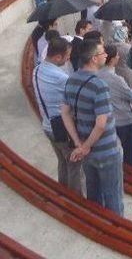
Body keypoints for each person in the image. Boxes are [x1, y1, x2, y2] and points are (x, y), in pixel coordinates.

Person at [60, 40, 124, 216]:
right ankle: (116, 231)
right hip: (106, 151)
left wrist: (79, 144)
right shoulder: (99, 85)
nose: (106, 55)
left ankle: (97, 225)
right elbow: (101, 123)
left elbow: (64, 112)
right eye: (103, 52)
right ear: (94, 58)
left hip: (87, 151)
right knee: (113, 195)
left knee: (93, 192)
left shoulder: (71, 79)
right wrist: (85, 146)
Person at [33, 37, 83, 194]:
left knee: (63, 161)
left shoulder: (36, 71)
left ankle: (63, 192)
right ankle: (77, 202)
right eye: (67, 55)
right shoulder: (62, 78)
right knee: (74, 165)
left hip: (48, 125)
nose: (69, 58)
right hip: (62, 129)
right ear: (57, 57)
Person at [97, 45, 132, 169]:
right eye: (117, 55)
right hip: (124, 121)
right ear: (113, 59)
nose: (119, 57)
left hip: (108, 120)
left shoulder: (97, 76)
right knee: (130, 154)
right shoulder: (117, 79)